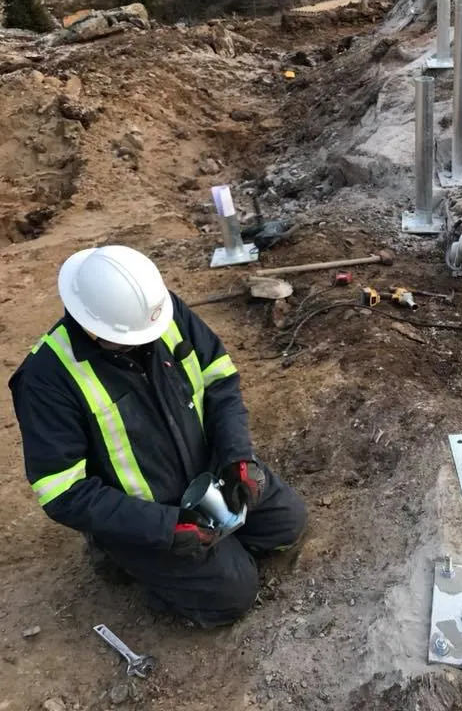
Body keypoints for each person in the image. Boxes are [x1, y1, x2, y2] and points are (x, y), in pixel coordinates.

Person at [10, 245, 306, 627]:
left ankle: (213, 544)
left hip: (209, 476)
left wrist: (237, 457)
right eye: (130, 339)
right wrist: (163, 528)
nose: (146, 342)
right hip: (145, 516)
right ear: (89, 326)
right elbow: (63, 493)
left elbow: (220, 381)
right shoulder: (46, 379)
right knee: (234, 594)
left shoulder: (157, 315)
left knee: (288, 525)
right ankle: (119, 557)